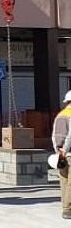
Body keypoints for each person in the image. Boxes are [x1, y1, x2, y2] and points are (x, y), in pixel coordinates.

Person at [50, 90, 71, 219]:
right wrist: (65, 149)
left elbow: (54, 135)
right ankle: (68, 209)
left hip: (60, 155)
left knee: (63, 181)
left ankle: (65, 208)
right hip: (69, 153)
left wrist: (57, 150)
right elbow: (70, 136)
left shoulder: (60, 115)